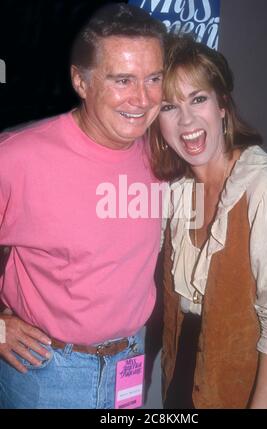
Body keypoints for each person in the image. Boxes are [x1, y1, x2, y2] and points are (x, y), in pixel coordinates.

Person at [0, 3, 167, 409]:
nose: (142, 99)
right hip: (44, 370)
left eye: (153, 79)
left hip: (129, 362)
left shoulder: (163, 154)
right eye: (123, 80)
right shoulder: (17, 157)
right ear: (81, 81)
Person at [150, 34, 267, 409]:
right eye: (169, 106)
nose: (186, 121)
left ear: (222, 105)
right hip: (185, 363)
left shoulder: (264, 188)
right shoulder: (176, 189)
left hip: (251, 374)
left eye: (198, 99)